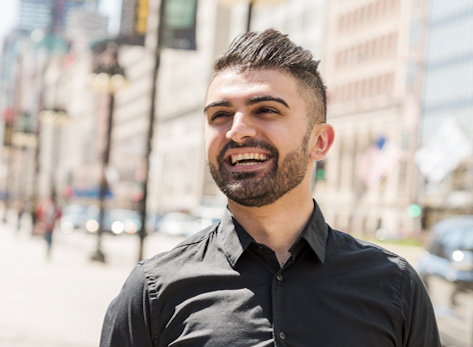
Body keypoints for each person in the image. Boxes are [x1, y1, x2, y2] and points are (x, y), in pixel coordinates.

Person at [100, 29, 440, 346]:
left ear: (319, 141)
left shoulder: (396, 287)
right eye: (220, 115)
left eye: (265, 110)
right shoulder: (153, 291)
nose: (237, 131)